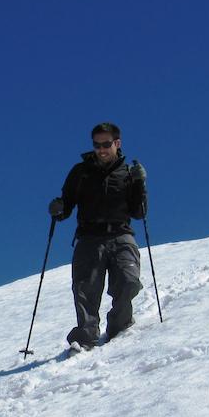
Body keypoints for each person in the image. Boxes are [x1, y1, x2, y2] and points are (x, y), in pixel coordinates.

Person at [48, 122, 147, 352]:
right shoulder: (80, 172)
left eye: (106, 144)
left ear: (117, 143)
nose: (101, 149)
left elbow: (139, 212)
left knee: (128, 281)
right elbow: (67, 206)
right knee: (85, 289)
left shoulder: (129, 173)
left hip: (121, 234)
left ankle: (120, 326)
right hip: (89, 238)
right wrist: (58, 208)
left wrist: (141, 184)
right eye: (97, 145)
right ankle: (85, 337)